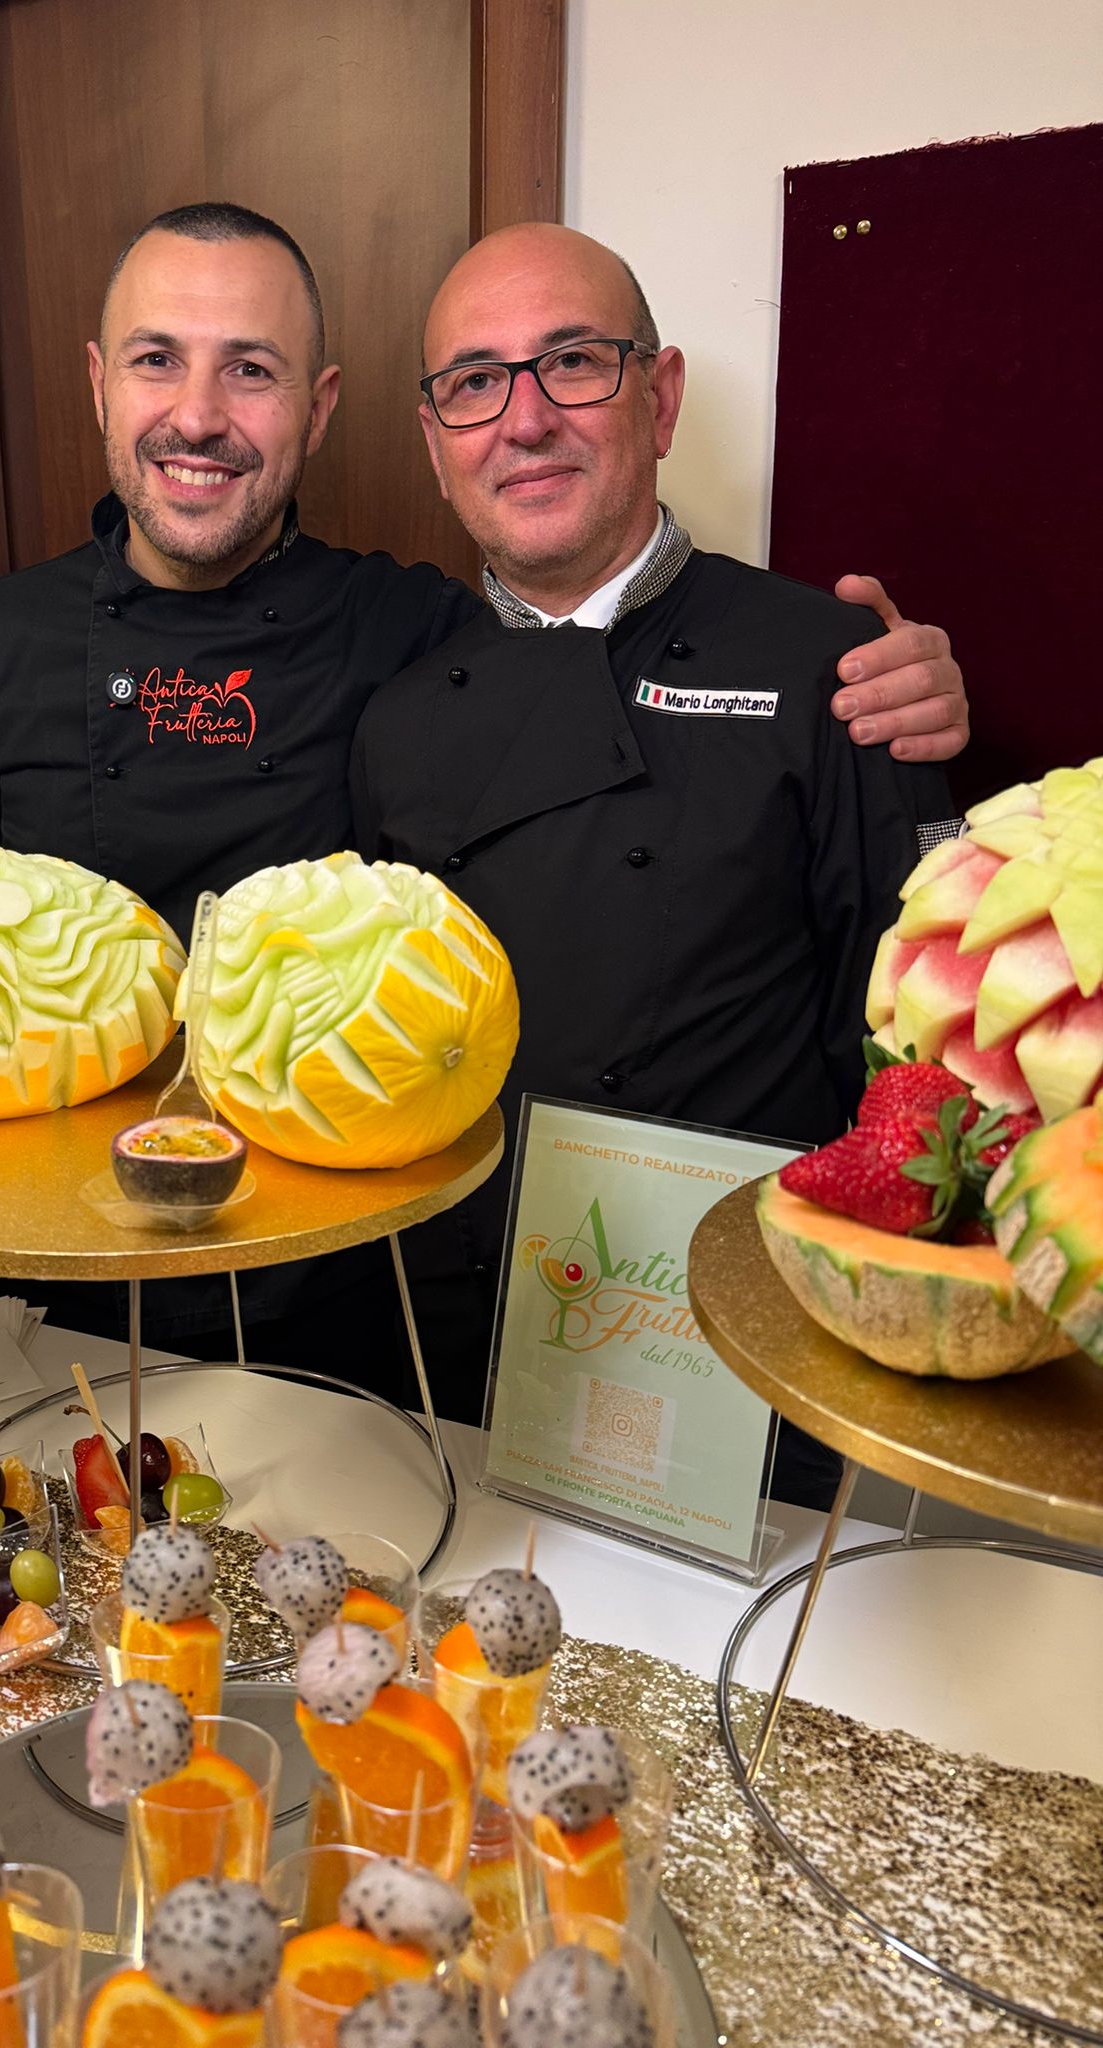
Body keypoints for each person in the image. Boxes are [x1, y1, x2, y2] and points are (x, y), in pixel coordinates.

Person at [0, 201, 967, 1375]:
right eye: (157, 358)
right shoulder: (7, 640)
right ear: (101, 383)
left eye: (573, 363)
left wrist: (907, 698)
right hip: (79, 1256)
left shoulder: (416, 631)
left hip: (409, 1286)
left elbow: (918, 1042)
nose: (197, 415)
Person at [351, 223, 960, 1503]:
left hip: (753, 1361)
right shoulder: (396, 719)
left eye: (574, 361)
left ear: (661, 397)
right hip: (459, 1357)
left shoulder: (835, 665)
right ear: (436, 443)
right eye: (475, 382)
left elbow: (912, 1055)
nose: (525, 420)